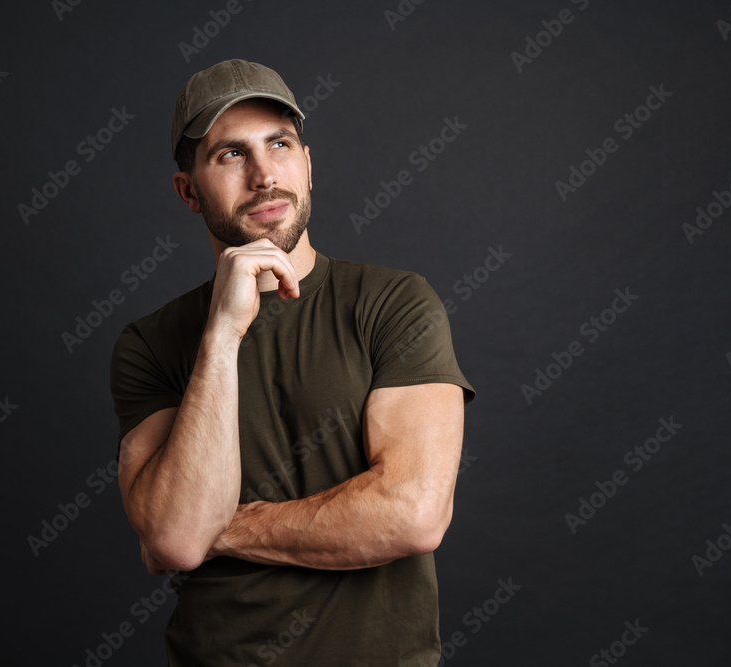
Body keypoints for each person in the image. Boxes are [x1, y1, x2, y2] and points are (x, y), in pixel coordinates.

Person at [110, 58, 475, 666]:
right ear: (188, 191)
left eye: (279, 144)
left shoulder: (392, 302)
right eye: (229, 155)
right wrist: (222, 335)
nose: (262, 176)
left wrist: (219, 530)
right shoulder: (151, 343)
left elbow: (412, 515)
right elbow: (174, 539)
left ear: (307, 164)